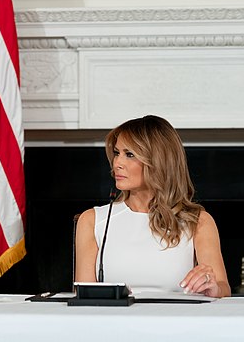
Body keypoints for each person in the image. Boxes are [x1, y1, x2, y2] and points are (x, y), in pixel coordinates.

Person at [75, 115, 230, 297]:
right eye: (117, 153)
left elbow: (223, 288)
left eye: (129, 154)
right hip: (115, 316)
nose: (117, 163)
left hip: (178, 316)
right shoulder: (93, 221)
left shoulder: (199, 222)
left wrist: (212, 287)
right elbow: (84, 298)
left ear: (158, 161)